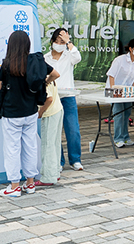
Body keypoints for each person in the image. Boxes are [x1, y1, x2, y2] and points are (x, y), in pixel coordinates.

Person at [0, 31, 59, 198]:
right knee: (30, 147)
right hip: (31, 111)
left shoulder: (7, 64)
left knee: (12, 149)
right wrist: (41, 84)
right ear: (27, 44)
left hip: (11, 113)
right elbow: (55, 74)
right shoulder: (36, 61)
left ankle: (14, 186)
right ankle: (30, 184)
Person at [44, 28, 84, 171]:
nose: (60, 44)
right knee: (54, 131)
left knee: (73, 129)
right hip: (52, 98)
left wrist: (68, 42)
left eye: (63, 41)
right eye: (58, 41)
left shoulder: (69, 55)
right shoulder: (45, 58)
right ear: (52, 42)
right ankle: (58, 161)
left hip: (68, 97)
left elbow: (78, 58)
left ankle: (75, 160)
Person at [106, 38, 134, 148]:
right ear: (131, 49)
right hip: (114, 90)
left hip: (127, 91)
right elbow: (111, 75)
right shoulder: (120, 60)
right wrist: (113, 90)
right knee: (118, 114)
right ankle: (118, 138)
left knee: (127, 114)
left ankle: (126, 137)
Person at [36, 76, 63, 186]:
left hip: (50, 113)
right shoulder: (48, 75)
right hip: (58, 110)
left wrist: (40, 112)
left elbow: (49, 98)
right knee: (55, 143)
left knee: (48, 145)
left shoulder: (40, 78)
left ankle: (48, 177)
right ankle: (55, 172)